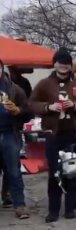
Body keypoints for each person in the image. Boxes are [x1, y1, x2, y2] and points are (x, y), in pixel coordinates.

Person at [30, 47, 76, 222]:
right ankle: (53, 210)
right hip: (54, 134)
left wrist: (75, 105)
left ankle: (69, 208)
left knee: (72, 172)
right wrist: (48, 107)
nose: (64, 66)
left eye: (67, 63)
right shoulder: (44, 84)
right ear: (55, 64)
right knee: (55, 173)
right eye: (60, 62)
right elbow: (32, 104)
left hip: (75, 135)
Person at [0, 57, 31, 219]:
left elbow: (28, 110)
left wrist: (17, 111)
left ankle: (19, 205)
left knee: (13, 171)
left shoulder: (15, 89)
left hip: (9, 133)